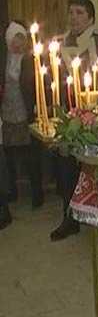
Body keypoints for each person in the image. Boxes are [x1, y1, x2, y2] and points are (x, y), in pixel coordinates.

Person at [51, 0, 98, 242]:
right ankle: (70, 216)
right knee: (66, 167)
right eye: (71, 12)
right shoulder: (62, 44)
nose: (73, 17)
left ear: (91, 18)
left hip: (96, 113)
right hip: (68, 112)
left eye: (80, 13)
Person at [1, 22, 43, 208]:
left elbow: (37, 83)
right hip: (8, 110)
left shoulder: (29, 59)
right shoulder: (4, 59)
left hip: (26, 109)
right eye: (15, 40)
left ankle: (37, 192)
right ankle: (12, 190)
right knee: (9, 153)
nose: (18, 44)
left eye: (21, 40)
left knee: (30, 154)